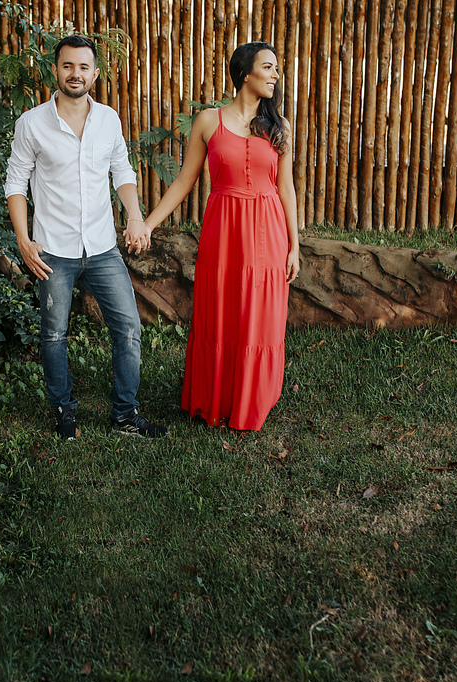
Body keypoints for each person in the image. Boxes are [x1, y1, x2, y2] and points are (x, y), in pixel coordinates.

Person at [4, 35, 167, 440]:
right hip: (52, 251)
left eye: (83, 67)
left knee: (129, 327)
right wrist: (24, 240)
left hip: (101, 248)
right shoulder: (32, 123)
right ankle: (63, 411)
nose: (75, 74)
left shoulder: (109, 119)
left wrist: (133, 216)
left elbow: (122, 173)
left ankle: (125, 414)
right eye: (67, 66)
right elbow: (15, 182)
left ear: (95, 73)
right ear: (55, 70)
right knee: (53, 335)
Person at [142, 41, 300, 431]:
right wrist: (148, 224)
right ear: (246, 73)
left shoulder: (280, 128)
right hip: (223, 230)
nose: (276, 74)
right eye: (269, 66)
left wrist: (295, 246)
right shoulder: (208, 121)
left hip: (268, 231)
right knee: (220, 313)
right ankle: (214, 399)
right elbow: (184, 180)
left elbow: (286, 189)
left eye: (277, 68)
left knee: (259, 318)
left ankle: (251, 403)